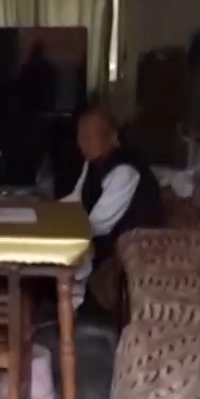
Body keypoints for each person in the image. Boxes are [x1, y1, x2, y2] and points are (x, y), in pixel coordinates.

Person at [59, 108, 163, 310]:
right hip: (98, 239)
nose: (84, 141)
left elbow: (99, 223)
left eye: (91, 134)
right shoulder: (93, 163)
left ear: (113, 137)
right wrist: (44, 211)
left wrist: (61, 231)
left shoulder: (124, 169)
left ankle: (70, 310)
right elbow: (76, 200)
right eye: (81, 135)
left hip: (123, 246)